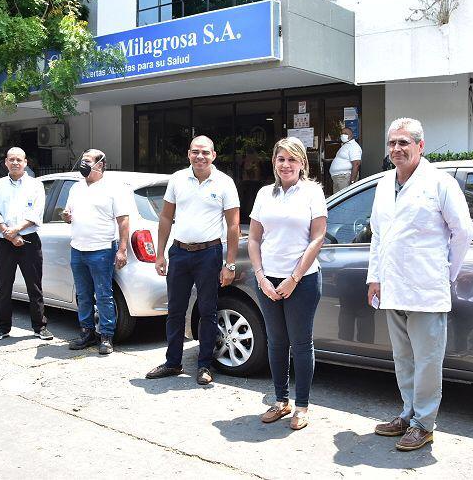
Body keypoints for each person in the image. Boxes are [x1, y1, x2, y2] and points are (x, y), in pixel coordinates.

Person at [367, 118, 473, 451]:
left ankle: (424, 424)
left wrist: (446, 273)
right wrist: (374, 276)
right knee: (403, 357)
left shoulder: (440, 183)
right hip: (392, 285)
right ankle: (408, 413)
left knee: (427, 361)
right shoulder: (385, 182)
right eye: (392, 143)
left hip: (427, 288)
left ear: (420, 146)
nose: (397, 149)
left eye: (404, 143)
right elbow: (378, 234)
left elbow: (463, 233)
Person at [146, 136, 240, 385]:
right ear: (188, 154)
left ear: (214, 155)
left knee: (208, 311)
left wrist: (229, 264)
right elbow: (166, 217)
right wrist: (159, 254)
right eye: (195, 152)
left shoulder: (224, 183)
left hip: (209, 254)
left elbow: (233, 226)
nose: (200, 157)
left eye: (205, 152)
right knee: (175, 311)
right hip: (179, 253)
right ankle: (172, 362)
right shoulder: (177, 179)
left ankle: (204, 365)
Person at [248, 137, 327, 430]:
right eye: (281, 159)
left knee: (301, 343)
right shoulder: (263, 194)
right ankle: (281, 401)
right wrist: (260, 276)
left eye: (292, 159)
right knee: (277, 341)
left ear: (302, 163)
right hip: (267, 280)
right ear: (274, 162)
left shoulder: (312, 192)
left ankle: (302, 406)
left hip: (303, 280)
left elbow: (317, 237)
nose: (286, 164)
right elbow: (254, 238)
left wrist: (294, 278)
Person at [64, 149, 129, 355]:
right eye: (82, 160)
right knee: (83, 295)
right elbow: (69, 215)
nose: (82, 164)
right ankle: (86, 333)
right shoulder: (76, 188)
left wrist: (122, 250)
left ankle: (106, 336)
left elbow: (123, 220)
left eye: (87, 161)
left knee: (103, 295)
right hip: (78, 248)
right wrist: (67, 216)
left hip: (101, 249)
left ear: (100, 165)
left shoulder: (113, 189)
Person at [0, 147, 52, 341]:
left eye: (19, 160)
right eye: (11, 159)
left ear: (25, 163)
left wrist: (15, 230)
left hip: (29, 240)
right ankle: (2, 328)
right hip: (3, 241)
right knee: (4, 287)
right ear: (5, 162)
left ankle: (40, 327)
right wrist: (8, 234)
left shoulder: (35, 185)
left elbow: (36, 214)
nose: (15, 163)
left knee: (34, 287)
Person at [330, 127, 362, 193]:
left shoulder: (354, 146)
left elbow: (356, 164)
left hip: (345, 178)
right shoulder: (345, 145)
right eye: (342, 133)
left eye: (345, 133)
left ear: (351, 135)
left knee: (344, 200)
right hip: (338, 178)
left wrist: (352, 181)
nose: (342, 135)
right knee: (337, 201)